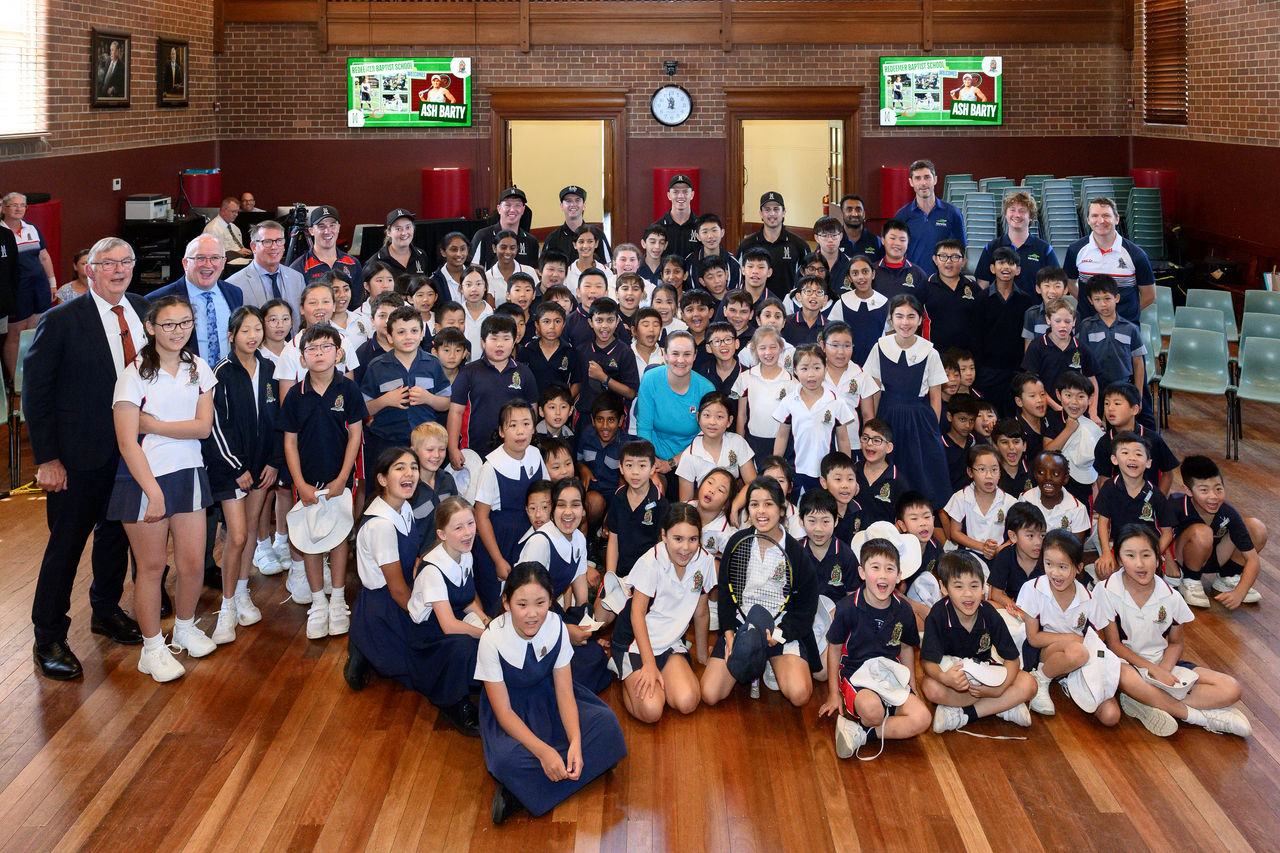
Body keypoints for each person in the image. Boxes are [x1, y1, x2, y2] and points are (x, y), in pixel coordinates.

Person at [24, 236, 147, 679]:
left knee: (115, 536)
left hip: (132, 450)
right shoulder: (61, 320)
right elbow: (36, 396)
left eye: (126, 261)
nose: (118, 269)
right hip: (77, 457)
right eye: (108, 263)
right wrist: (48, 459)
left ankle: (106, 609)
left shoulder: (140, 306)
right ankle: (48, 637)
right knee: (66, 546)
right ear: (88, 270)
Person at [108, 296, 218, 682]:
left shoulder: (198, 367)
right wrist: (152, 492)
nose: (178, 331)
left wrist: (153, 425)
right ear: (150, 328)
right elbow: (126, 442)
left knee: (192, 563)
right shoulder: (133, 373)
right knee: (152, 568)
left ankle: (185, 628)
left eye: (184, 323)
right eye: (168, 324)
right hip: (144, 478)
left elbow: (202, 428)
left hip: (189, 471)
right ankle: (152, 648)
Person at [477, 562, 627, 825]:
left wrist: (576, 741)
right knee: (505, 760)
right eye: (521, 604)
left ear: (551, 600)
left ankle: (525, 793)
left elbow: (565, 692)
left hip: (550, 699)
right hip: (513, 712)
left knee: (608, 725)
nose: (532, 613)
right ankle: (586, 767)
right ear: (506, 602)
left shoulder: (556, 624)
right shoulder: (491, 640)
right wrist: (544, 753)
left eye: (540, 603)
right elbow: (504, 713)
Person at [345, 465, 485, 737]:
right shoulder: (430, 567)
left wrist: (485, 619)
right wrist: (483, 633)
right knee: (460, 647)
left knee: (480, 637)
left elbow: (467, 598)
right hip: (421, 627)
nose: (467, 532)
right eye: (459, 527)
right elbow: (446, 625)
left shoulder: (464, 553)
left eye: (470, 524)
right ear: (442, 535)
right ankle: (453, 703)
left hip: (442, 612)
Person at [1095, 524, 1252, 738]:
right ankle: (1199, 717)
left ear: (1158, 557)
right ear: (1120, 560)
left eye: (1146, 555)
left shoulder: (1171, 596)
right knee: (1124, 676)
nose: (1140, 564)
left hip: (1163, 663)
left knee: (1231, 688)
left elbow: (1176, 643)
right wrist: (1153, 670)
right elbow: (1114, 645)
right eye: (1130, 556)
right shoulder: (1106, 591)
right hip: (1127, 664)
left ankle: (1145, 700)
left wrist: (1164, 671)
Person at [278, 323, 367, 638]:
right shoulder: (294, 395)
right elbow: (289, 442)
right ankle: (318, 602)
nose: (318, 353)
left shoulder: (349, 389)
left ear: (338, 353)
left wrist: (344, 476)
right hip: (306, 480)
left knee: (340, 537)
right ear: (301, 358)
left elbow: (356, 433)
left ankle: (338, 599)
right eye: (311, 349)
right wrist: (299, 483)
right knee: (310, 538)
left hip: (340, 478)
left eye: (325, 347)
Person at [701, 477, 819, 707]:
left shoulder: (796, 553)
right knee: (709, 694)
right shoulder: (738, 542)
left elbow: (806, 608)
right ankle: (754, 655)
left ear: (782, 510)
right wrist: (728, 635)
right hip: (741, 623)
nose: (761, 511)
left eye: (768, 504)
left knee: (799, 695)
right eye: (754, 504)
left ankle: (766, 662)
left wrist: (780, 634)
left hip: (780, 627)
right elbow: (726, 595)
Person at [204, 306, 280, 644]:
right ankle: (227, 604)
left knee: (250, 530)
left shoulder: (270, 368)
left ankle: (243, 590)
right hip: (230, 470)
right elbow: (216, 426)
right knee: (235, 536)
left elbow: (278, 419)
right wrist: (238, 468)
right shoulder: (220, 371)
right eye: (245, 330)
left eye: (257, 329)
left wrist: (274, 462)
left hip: (262, 468)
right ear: (232, 335)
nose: (253, 335)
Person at [818, 535, 931, 757]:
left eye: (889, 569)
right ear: (862, 572)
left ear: (899, 576)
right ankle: (878, 719)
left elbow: (907, 649)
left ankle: (861, 733)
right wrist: (833, 693)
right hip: (855, 674)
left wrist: (913, 686)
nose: (882, 575)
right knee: (873, 712)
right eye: (875, 567)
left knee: (923, 719)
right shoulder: (847, 608)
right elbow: (834, 648)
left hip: (889, 675)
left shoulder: (904, 611)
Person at [611, 503, 715, 722]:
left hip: (670, 642)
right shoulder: (651, 562)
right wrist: (648, 664)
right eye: (678, 538)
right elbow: (637, 614)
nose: (686, 548)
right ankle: (623, 670)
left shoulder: (704, 561)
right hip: (636, 643)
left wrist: (703, 656)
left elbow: (702, 611)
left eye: (693, 539)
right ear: (664, 536)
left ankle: (659, 679)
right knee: (651, 711)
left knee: (688, 701)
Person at [921, 552, 1037, 732]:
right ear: (943, 588)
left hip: (985, 673)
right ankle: (1004, 705)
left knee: (1029, 684)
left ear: (984, 587)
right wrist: (945, 678)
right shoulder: (937, 615)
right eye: (958, 586)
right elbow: (929, 663)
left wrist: (999, 689)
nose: (968, 594)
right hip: (955, 677)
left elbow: (1013, 660)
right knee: (930, 688)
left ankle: (964, 714)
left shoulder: (988, 613)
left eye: (974, 586)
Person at [862, 294, 950, 509]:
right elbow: (872, 392)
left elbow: (936, 396)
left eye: (911, 316)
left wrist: (933, 429)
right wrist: (873, 429)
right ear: (891, 319)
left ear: (920, 320)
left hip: (919, 422)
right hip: (888, 418)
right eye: (899, 316)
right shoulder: (880, 347)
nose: (905, 322)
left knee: (921, 477)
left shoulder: (930, 351)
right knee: (890, 475)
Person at [472, 400, 547, 615]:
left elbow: (547, 495)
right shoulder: (491, 467)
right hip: (499, 542)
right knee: (497, 605)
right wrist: (497, 559)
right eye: (512, 425)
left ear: (534, 428)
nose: (520, 431)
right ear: (502, 431)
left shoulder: (535, 454)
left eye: (526, 424)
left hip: (531, 536)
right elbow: (482, 517)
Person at [1169, 455, 1268, 610]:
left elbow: (1253, 560)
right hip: (1181, 560)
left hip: (1213, 557)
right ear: (1188, 490)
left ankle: (1228, 577)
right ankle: (1190, 580)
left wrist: (1239, 593)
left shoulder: (1228, 512)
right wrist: (1168, 562)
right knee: (1203, 532)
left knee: (1256, 527)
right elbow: (1156, 535)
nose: (1213, 496)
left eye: (1218, 489)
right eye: (1204, 490)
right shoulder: (1174, 505)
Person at [447, 315, 538, 466]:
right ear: (483, 342)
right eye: (494, 339)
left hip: (515, 452)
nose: (500, 345)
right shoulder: (469, 372)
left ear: (515, 340)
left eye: (506, 338)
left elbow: (532, 412)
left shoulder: (524, 373)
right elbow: (456, 412)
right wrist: (452, 448)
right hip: (474, 453)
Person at [147, 235, 244, 366]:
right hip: (182, 379)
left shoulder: (234, 293)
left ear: (223, 263)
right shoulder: (156, 300)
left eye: (215, 258)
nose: (208, 264)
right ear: (185, 263)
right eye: (200, 258)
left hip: (228, 379)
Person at [773, 344, 853, 497]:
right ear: (795, 370)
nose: (811, 375)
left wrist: (847, 473)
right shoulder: (789, 401)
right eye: (804, 369)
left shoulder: (836, 402)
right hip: (794, 469)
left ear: (825, 368)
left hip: (825, 473)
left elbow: (843, 439)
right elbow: (782, 436)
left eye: (817, 368)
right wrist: (775, 466)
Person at [635, 331, 715, 482]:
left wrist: (671, 463)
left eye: (687, 354)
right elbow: (644, 428)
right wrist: (652, 463)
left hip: (693, 457)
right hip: (655, 457)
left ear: (695, 355)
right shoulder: (650, 379)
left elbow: (705, 436)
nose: (680, 360)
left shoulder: (706, 389)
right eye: (675, 353)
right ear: (665, 354)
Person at [1064, 196, 1155, 326]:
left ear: (1117, 219)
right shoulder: (1075, 250)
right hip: (1086, 324)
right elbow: (1070, 282)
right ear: (1088, 220)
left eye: (1106, 215)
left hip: (1125, 326)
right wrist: (1087, 303)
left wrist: (1125, 315)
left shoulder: (1136, 255)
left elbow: (1149, 295)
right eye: (1095, 216)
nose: (1100, 221)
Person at [3, 192, 58, 376]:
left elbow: (44, 256)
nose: (19, 209)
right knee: (16, 333)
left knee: (34, 332)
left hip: (39, 286)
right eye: (14, 205)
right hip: (17, 289)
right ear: (4, 208)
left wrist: (52, 283)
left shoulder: (32, 228)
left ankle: (32, 375)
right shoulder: (2, 232)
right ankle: (15, 380)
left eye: (22, 205)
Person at [976, 191, 1060, 297]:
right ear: (1005, 215)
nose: (1017, 215)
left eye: (1022, 211)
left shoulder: (1044, 249)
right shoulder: (991, 248)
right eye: (1012, 210)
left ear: (1030, 217)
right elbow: (983, 284)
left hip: (1033, 311)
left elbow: (1055, 284)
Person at [892, 160, 966, 276]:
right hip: (912, 279)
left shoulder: (953, 213)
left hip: (943, 281)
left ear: (935, 179)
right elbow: (894, 252)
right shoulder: (902, 216)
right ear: (911, 182)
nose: (923, 183)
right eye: (918, 178)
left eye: (927, 177)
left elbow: (961, 250)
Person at [228, 221, 306, 329]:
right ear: (253, 246)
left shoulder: (297, 278)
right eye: (267, 242)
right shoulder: (234, 285)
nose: (274, 247)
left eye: (279, 241)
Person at [737, 192, 810, 299]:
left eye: (776, 209)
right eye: (767, 210)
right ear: (761, 213)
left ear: (784, 212)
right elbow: (739, 277)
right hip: (754, 306)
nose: (772, 214)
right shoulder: (747, 245)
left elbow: (807, 278)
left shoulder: (799, 245)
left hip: (787, 308)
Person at [291, 205, 365, 306]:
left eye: (332, 225)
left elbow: (357, 304)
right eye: (321, 226)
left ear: (338, 227)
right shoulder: (298, 268)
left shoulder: (353, 263)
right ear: (311, 230)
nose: (328, 231)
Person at [470, 187, 539, 269]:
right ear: (499, 209)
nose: (512, 210)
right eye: (507, 205)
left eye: (517, 205)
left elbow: (537, 274)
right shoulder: (483, 236)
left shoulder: (531, 242)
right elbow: (473, 273)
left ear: (523, 210)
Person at [542, 186, 611, 265]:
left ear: (584, 205)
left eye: (577, 200)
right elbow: (545, 269)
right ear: (561, 206)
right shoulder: (553, 238)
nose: (573, 204)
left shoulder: (598, 234)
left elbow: (607, 267)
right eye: (568, 201)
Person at [364, 209, 430, 281]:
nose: (404, 233)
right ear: (388, 232)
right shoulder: (376, 261)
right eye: (398, 229)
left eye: (408, 227)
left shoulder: (421, 255)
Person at [649, 174, 700, 258]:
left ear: (692, 195)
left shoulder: (701, 227)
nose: (680, 196)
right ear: (669, 195)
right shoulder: (657, 227)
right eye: (675, 192)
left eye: (685, 192)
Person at [202, 197, 252, 269]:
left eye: (237, 212)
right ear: (223, 211)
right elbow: (213, 254)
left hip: (239, 260)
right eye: (233, 212)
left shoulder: (234, 227)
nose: (236, 214)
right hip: (226, 264)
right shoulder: (213, 229)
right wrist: (238, 253)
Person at [837, 194, 882, 262]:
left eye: (858, 210)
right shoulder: (832, 240)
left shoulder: (876, 241)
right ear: (841, 214)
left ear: (864, 214)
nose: (854, 214)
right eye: (849, 210)